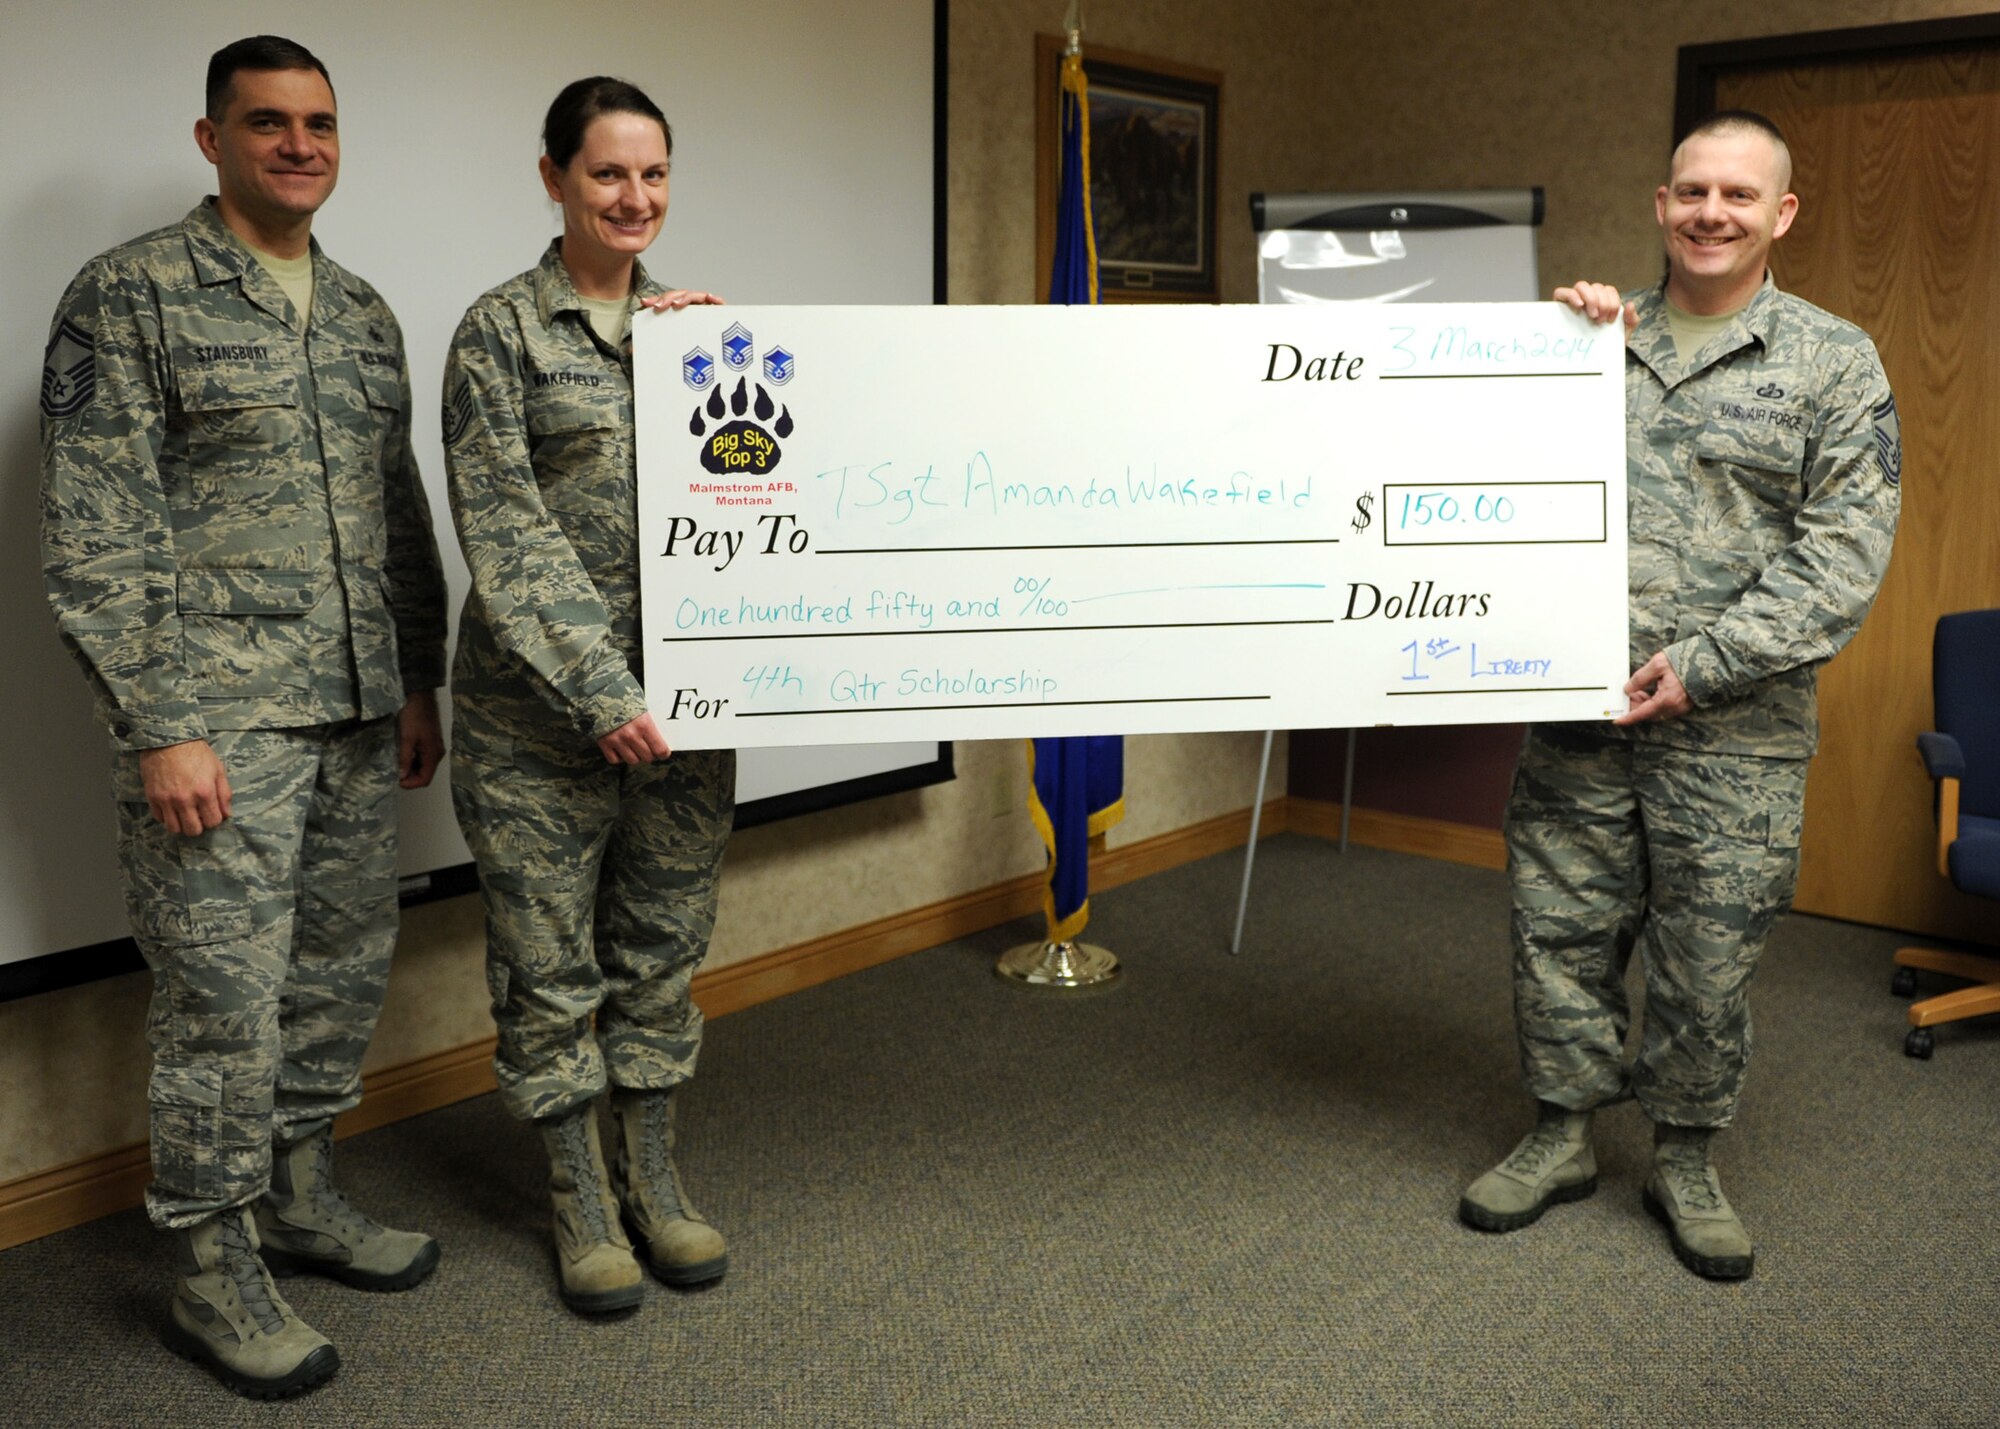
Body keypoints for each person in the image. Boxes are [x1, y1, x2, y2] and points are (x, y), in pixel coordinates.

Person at [38, 36, 448, 1397]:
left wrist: (414, 680)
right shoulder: (133, 295)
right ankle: (213, 1270)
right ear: (212, 140)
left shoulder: (362, 312)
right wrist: (162, 721)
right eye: (267, 122)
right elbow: (98, 532)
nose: (299, 144)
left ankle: (300, 1198)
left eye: (320, 122)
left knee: (331, 980)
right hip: (220, 724)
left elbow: (397, 515)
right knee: (222, 1004)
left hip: (347, 710)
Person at [1458, 111, 1900, 1280]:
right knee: (1556, 933)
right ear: (1659, 205)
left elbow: (1840, 558)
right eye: (1691, 190)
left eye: (1738, 196)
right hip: (1574, 714)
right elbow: (1467, 481)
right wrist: (1534, 353)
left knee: (1707, 959)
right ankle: (1558, 1135)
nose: (1711, 212)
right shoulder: (1583, 343)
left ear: (1779, 215)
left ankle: (1685, 1155)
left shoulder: (1832, 361)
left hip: (1733, 733)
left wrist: (1698, 666)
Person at [442, 76, 734, 1316]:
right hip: (538, 723)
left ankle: (653, 1183)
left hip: (690, 717)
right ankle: (578, 1201)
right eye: (609, 173)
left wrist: (753, 363)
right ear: (556, 176)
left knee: (659, 952)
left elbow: (764, 500)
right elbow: (502, 533)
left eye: (654, 173)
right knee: (551, 967)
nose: (635, 198)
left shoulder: (698, 331)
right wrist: (600, 688)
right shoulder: (499, 332)